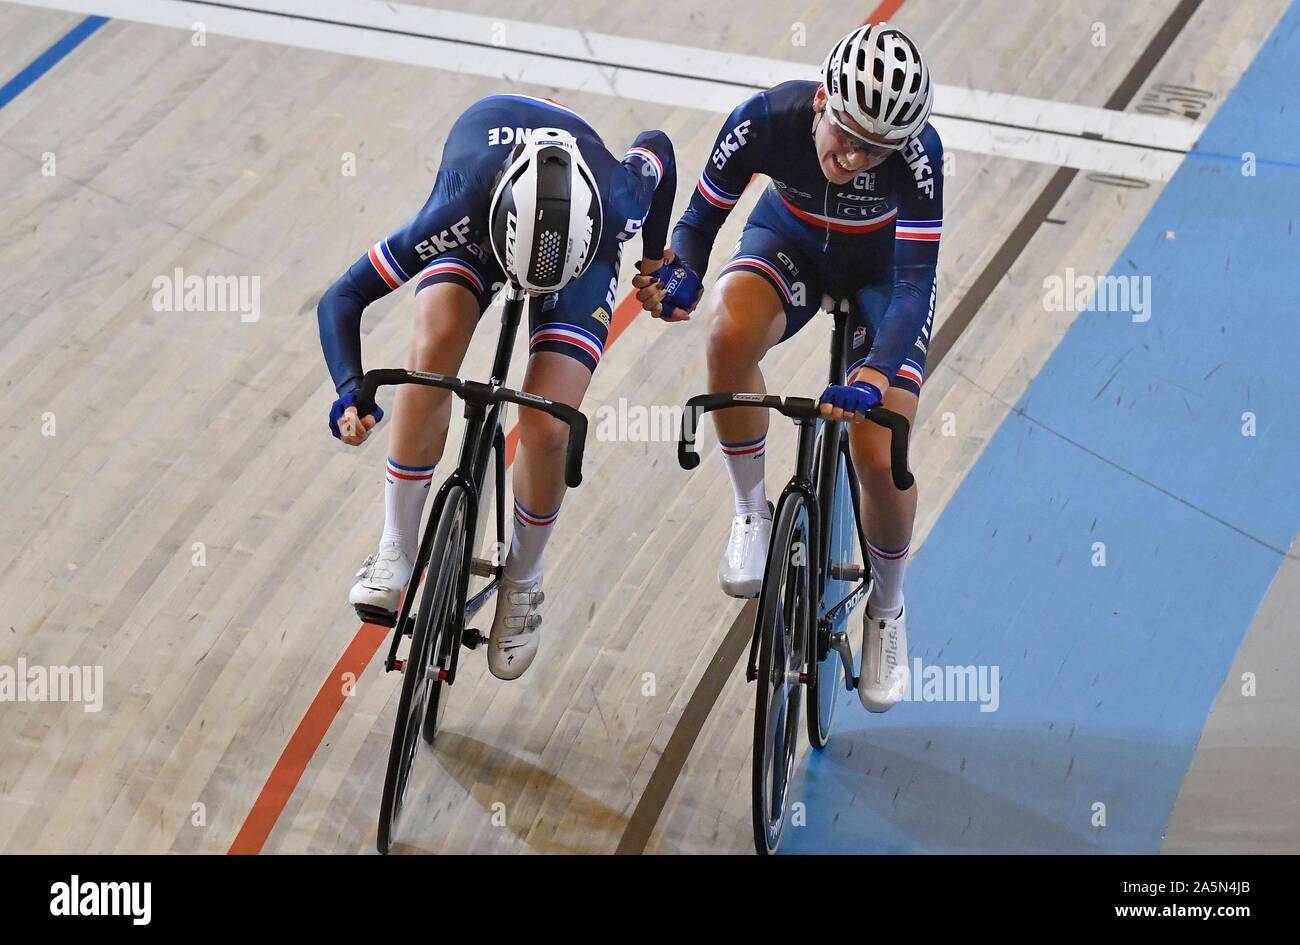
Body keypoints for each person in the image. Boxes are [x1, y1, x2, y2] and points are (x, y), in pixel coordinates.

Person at [634, 25, 942, 712]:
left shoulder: (921, 158)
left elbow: (916, 283)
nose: (856, 156)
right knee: (726, 332)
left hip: (885, 280)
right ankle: (752, 512)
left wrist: (874, 373)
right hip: (792, 242)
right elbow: (696, 225)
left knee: (878, 443)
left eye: (875, 150)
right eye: (847, 133)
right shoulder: (765, 119)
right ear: (822, 99)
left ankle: (888, 608)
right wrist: (681, 275)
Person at [317, 94, 676, 680]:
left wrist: (655, 255)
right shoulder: (456, 206)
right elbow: (343, 297)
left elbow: (657, 146)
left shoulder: (619, 197)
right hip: (484, 223)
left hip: (577, 253)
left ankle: (525, 577)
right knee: (431, 352)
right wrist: (350, 389)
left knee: (547, 422)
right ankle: (396, 545)